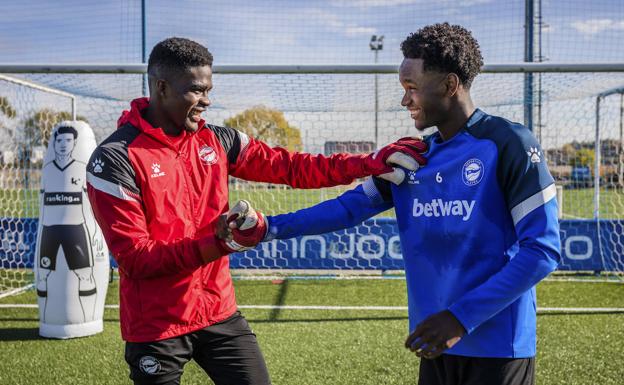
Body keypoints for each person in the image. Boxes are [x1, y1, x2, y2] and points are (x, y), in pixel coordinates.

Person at [225, 23, 561, 385]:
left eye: (411, 89)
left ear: (450, 85)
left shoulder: (507, 142)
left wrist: (461, 317)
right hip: (435, 341)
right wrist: (270, 228)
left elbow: (542, 250)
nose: (405, 101)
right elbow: (348, 207)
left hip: (496, 348)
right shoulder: (414, 157)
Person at [85, 37, 427, 385]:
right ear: (162, 87)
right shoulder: (114, 158)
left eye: (208, 89)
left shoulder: (217, 140)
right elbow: (136, 258)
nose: (207, 100)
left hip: (218, 312)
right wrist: (221, 243)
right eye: (196, 90)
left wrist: (368, 163)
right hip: (156, 326)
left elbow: (293, 167)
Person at [38, 124, 100, 322]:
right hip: (49, 230)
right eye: (59, 140)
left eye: (67, 140)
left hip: (76, 230)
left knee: (85, 275)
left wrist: (96, 231)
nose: (63, 144)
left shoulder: (82, 168)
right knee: (43, 275)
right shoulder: (48, 170)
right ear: (54, 144)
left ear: (74, 143)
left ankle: (87, 319)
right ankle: (47, 318)